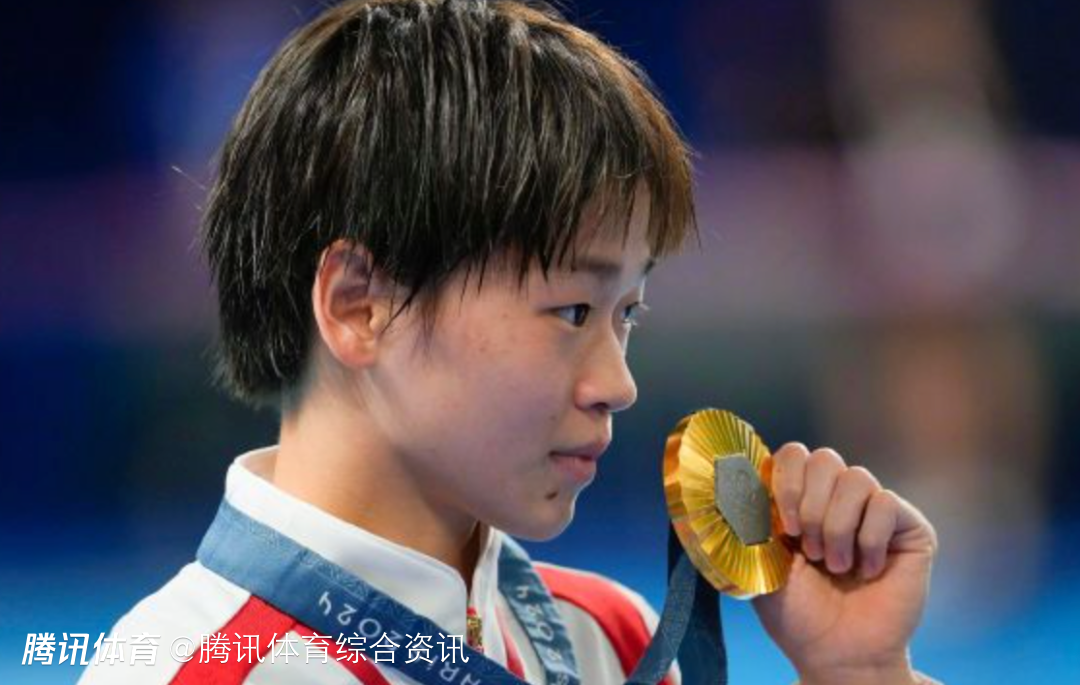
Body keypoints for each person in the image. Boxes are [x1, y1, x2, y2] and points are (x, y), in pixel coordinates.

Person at [79, 0, 939, 683]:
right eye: (572, 312)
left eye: (627, 315)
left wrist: (861, 672)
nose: (619, 383)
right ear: (359, 305)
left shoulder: (608, 639)